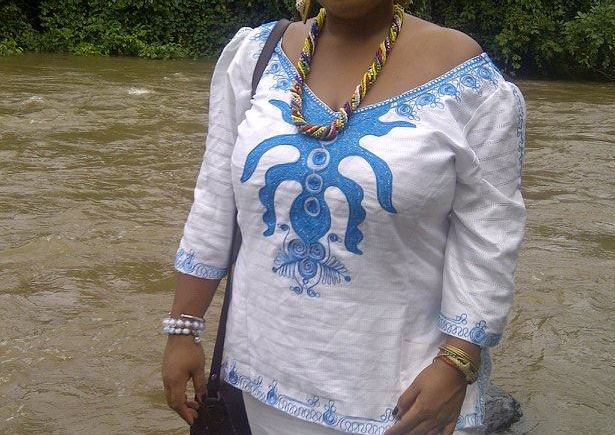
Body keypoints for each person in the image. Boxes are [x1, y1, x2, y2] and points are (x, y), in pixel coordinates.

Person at [162, 0, 526, 433]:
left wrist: (457, 362)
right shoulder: (256, 57)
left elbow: (489, 237)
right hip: (259, 379)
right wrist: (184, 328)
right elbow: (215, 198)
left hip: (403, 401)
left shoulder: (470, 84)